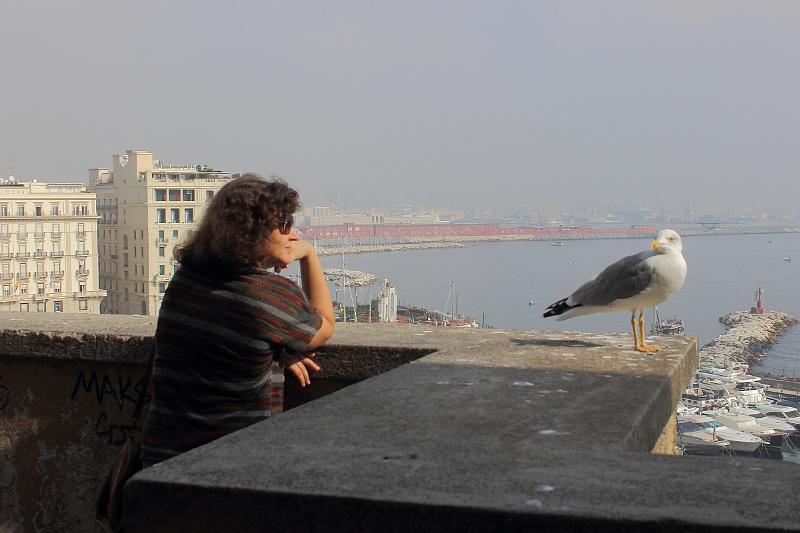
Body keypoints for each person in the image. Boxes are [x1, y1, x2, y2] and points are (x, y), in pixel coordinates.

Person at [141, 174, 334, 466]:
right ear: (252, 232)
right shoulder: (268, 296)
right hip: (228, 465)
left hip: (161, 461)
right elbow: (325, 327)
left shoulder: (186, 279)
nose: (292, 234)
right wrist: (309, 255)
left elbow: (221, 334)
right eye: (284, 226)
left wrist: (275, 348)